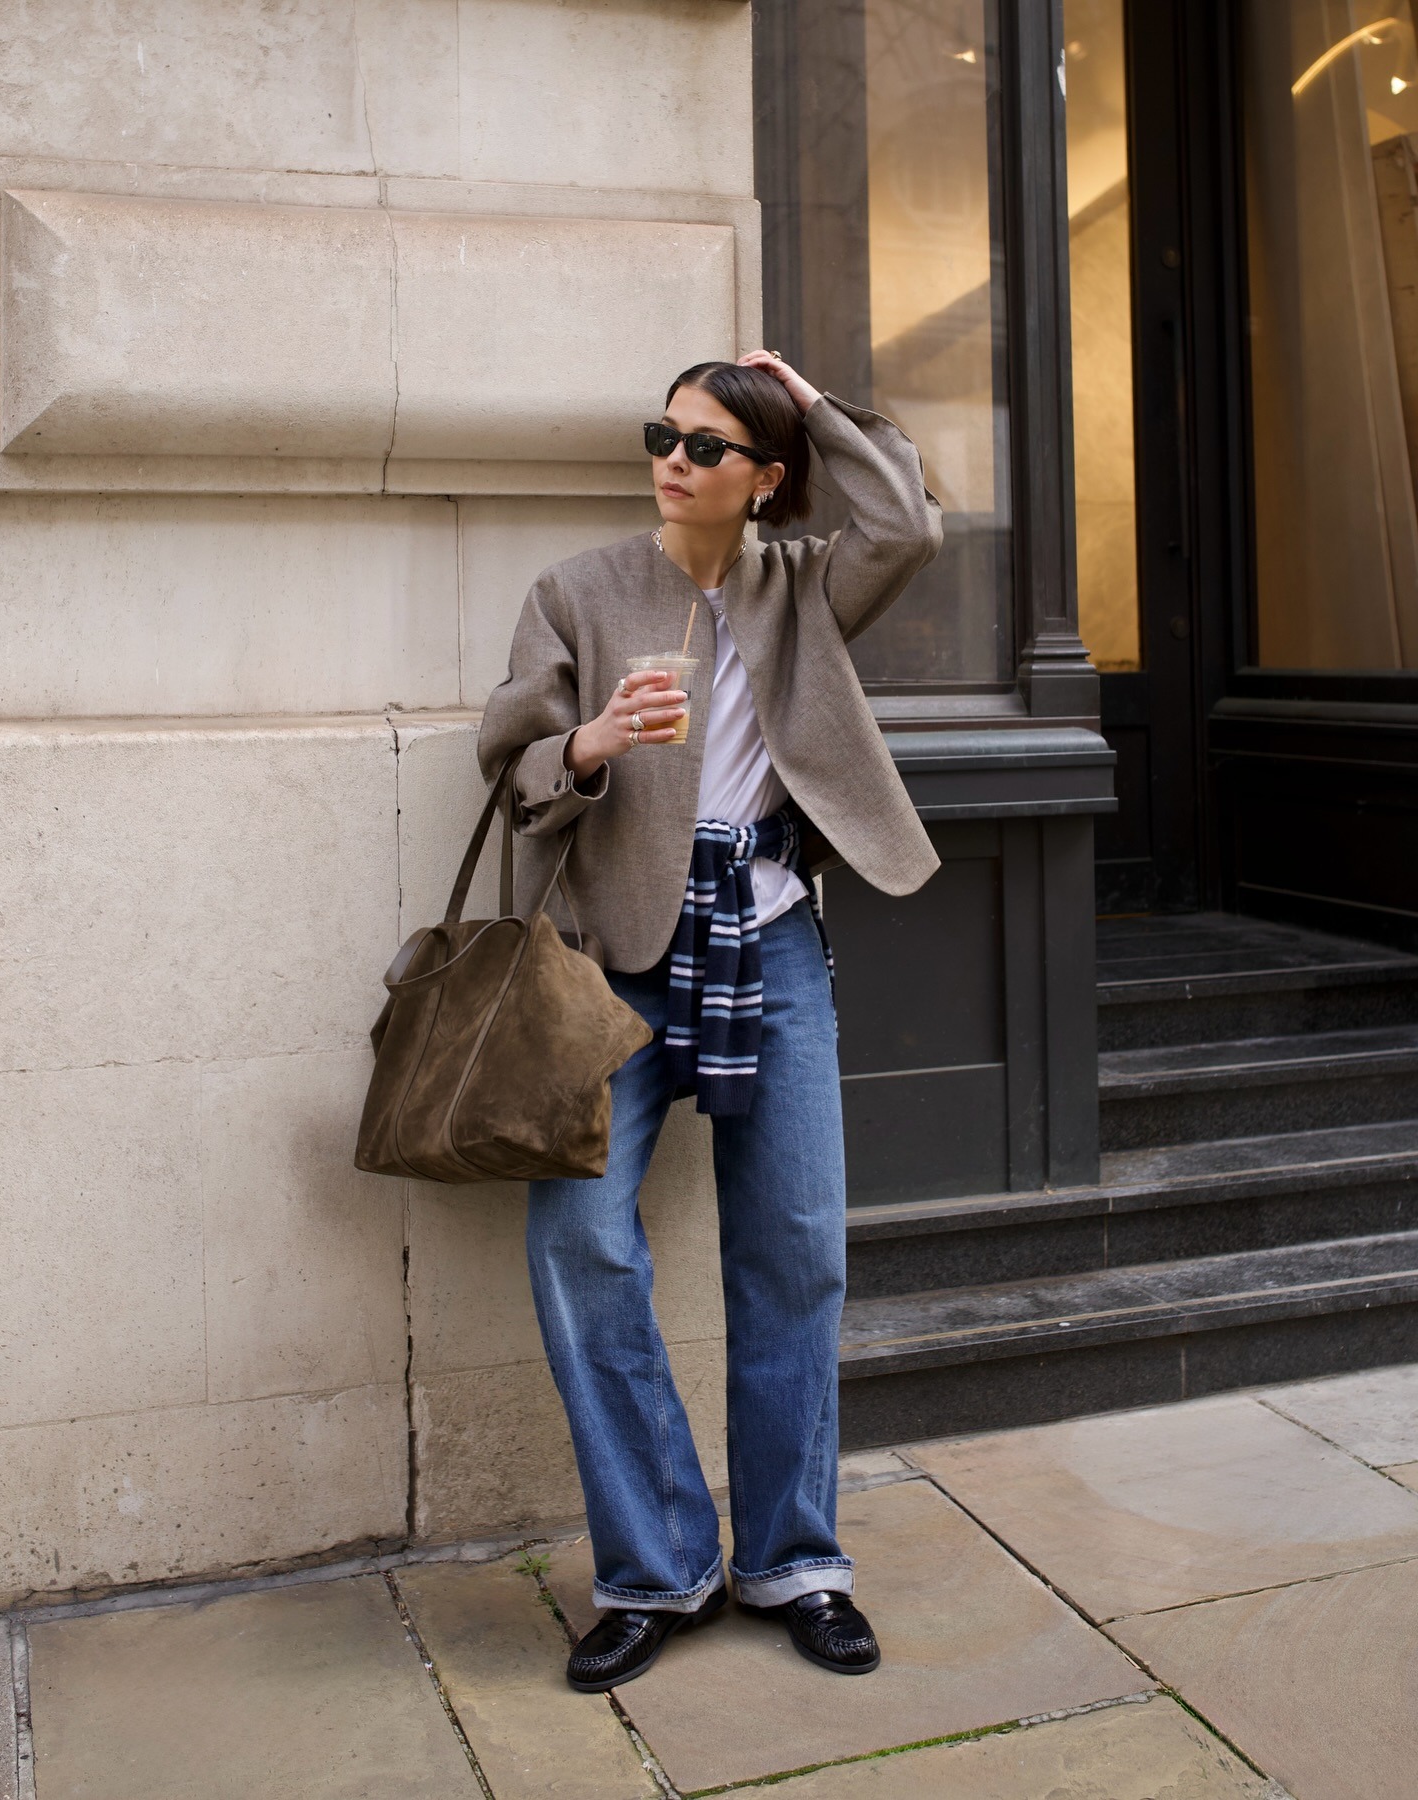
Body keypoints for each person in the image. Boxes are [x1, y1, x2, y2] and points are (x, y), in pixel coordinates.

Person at [477, 351, 942, 1690]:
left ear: (764, 480)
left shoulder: (802, 584)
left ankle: (795, 1560)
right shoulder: (576, 591)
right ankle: (655, 1566)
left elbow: (907, 523)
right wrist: (593, 742)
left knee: (792, 1249)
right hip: (607, 959)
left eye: (707, 446)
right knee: (580, 1241)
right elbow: (510, 760)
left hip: (771, 942)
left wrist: (817, 400)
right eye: (663, 437)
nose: (673, 460)